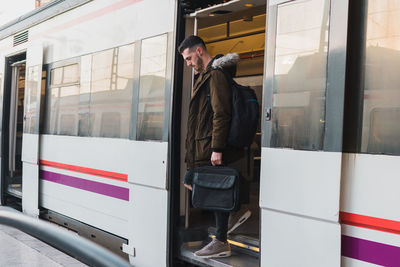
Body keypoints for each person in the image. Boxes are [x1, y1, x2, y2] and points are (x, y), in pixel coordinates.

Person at [179, 35, 251, 259]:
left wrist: (217, 148)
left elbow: (222, 114)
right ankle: (233, 213)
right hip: (201, 146)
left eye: (189, 58)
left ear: (199, 51)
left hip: (210, 146)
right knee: (192, 182)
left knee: (211, 188)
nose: (189, 63)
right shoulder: (204, 77)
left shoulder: (216, 75)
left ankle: (221, 239)